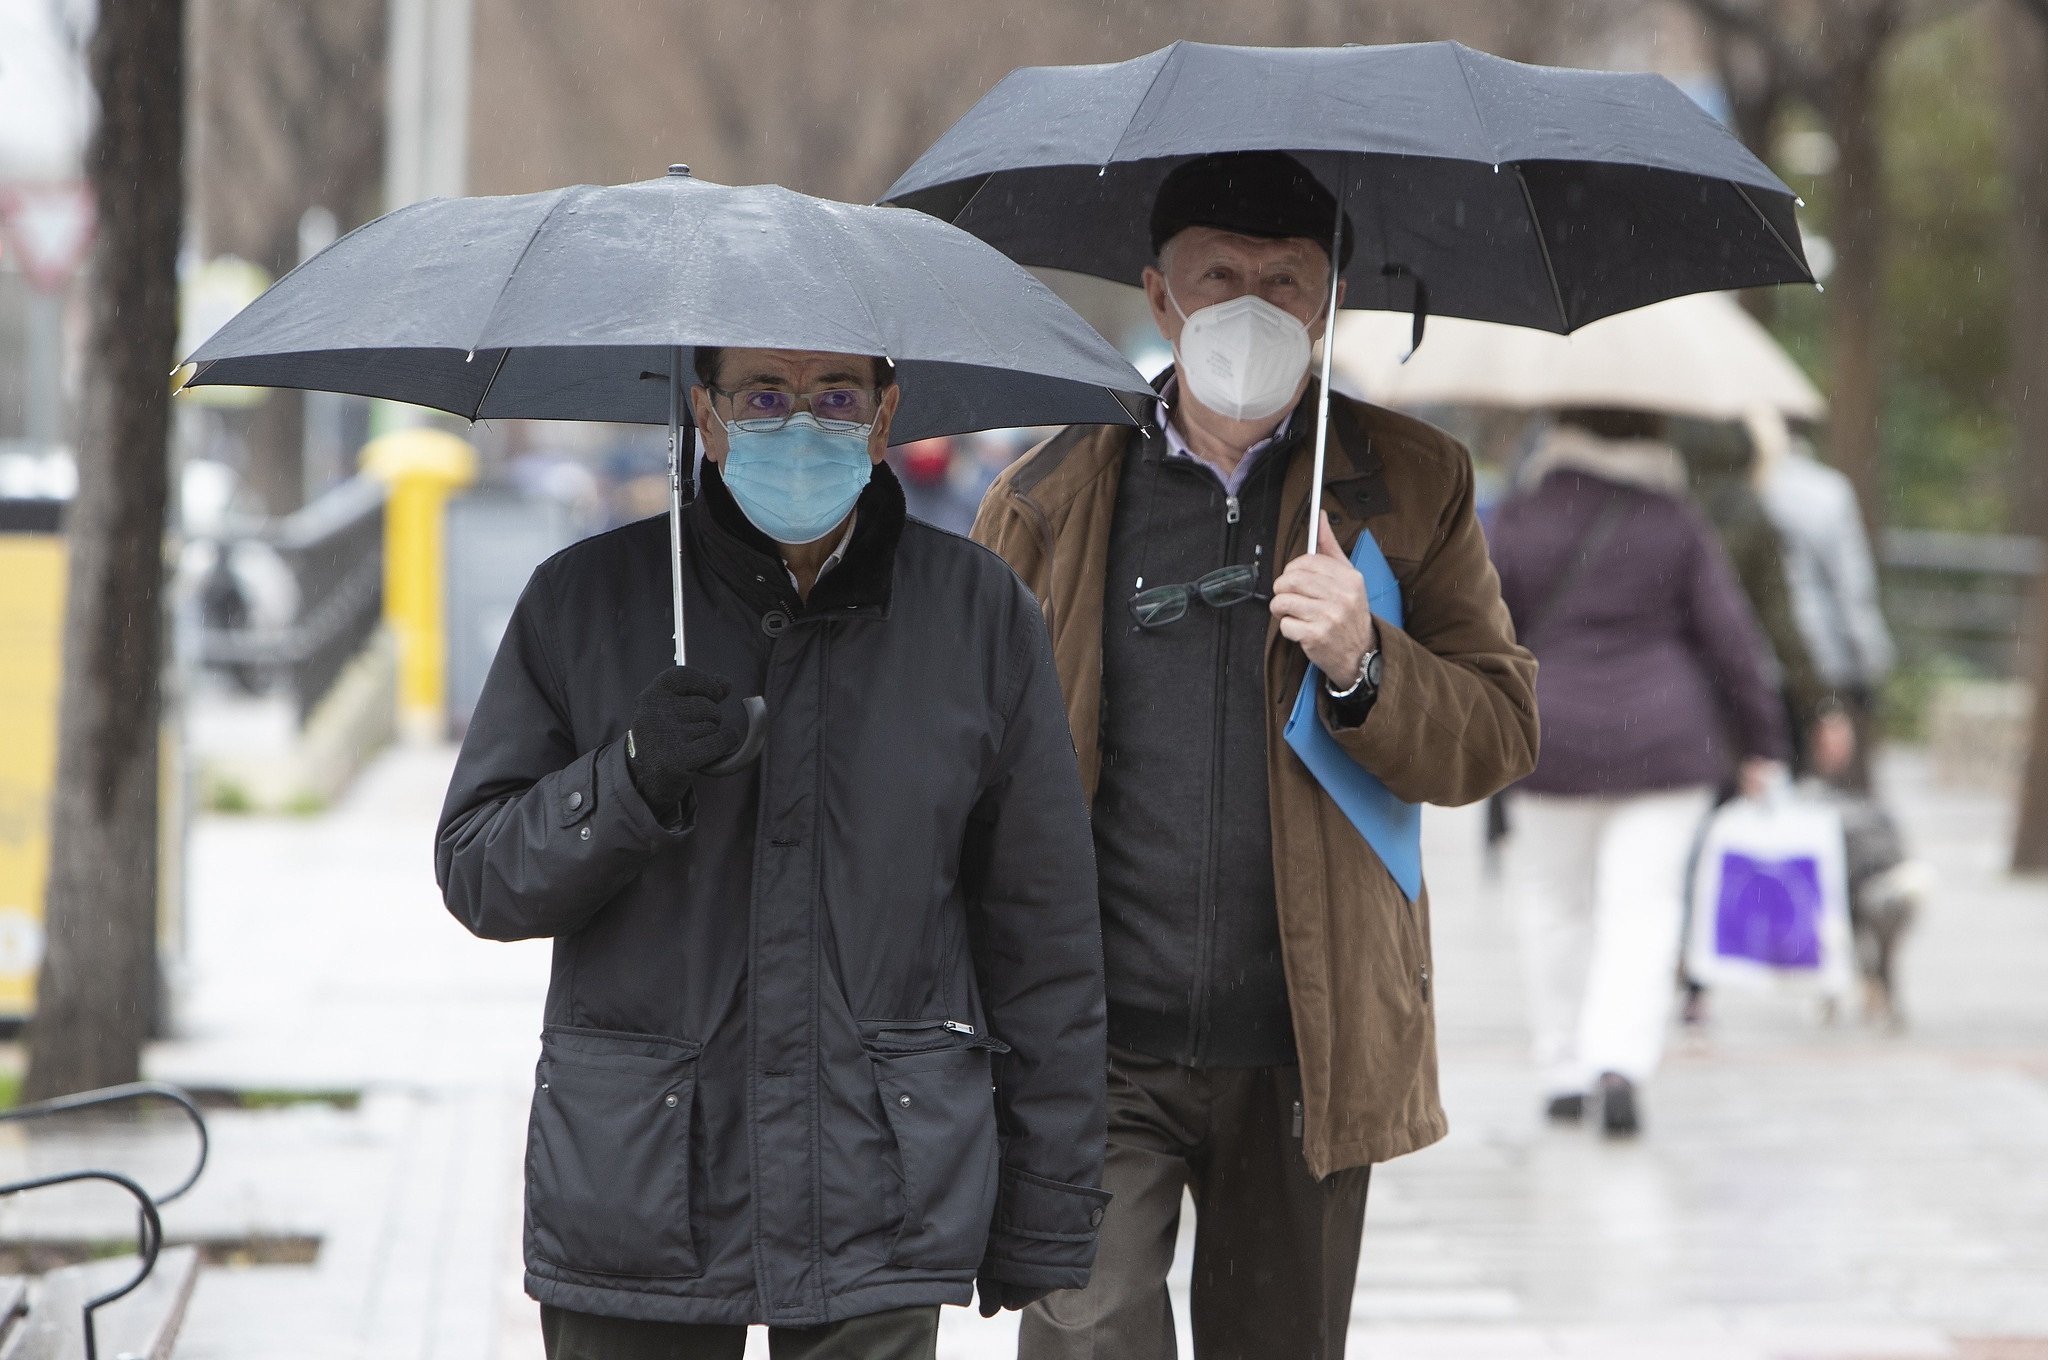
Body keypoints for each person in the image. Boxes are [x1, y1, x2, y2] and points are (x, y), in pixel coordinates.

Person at [973, 151, 1539, 1360]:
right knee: (1083, 1339)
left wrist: (1365, 663)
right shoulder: (1050, 490)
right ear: (1158, 295)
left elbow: (1496, 728)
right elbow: (964, 748)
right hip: (1095, 1040)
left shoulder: (1408, 483)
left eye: (1284, 279)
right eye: (1217, 274)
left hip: (1305, 1041)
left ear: (1328, 300)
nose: (1250, 302)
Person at [437, 346, 1110, 1360]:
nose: (800, 423)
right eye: (763, 395)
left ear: (885, 417)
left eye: (835, 396)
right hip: (638, 1185)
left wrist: (1045, 1202)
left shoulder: (977, 618)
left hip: (878, 1177)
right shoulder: (584, 601)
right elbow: (480, 871)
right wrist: (626, 776)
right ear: (704, 415)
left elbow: (1041, 935)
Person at [1488, 409, 1789, 1137]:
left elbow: (1484, 628)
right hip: (1664, 741)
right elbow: (1731, 638)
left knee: (1552, 905)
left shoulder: (1519, 515)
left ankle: (1562, 1066)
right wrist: (1764, 741)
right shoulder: (1674, 520)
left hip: (1546, 738)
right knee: (1643, 909)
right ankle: (1617, 1061)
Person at [1751, 408, 1897, 791]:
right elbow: (1853, 590)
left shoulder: (1745, 489)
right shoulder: (1828, 492)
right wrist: (1869, 665)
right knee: (1804, 780)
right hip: (1819, 660)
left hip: (1751, 659)